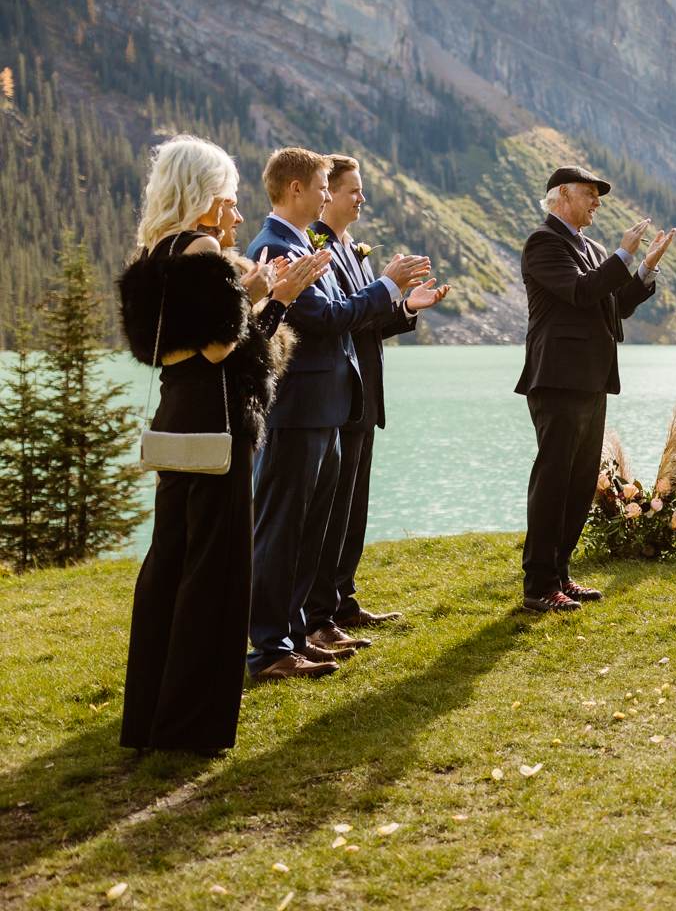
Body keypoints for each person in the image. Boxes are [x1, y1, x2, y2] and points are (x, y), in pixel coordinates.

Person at [117, 135, 330, 751]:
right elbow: (220, 349)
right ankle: (192, 723)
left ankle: (150, 716)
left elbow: (171, 354)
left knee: (168, 564)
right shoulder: (206, 254)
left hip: (176, 414)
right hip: (219, 422)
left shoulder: (151, 256)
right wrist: (263, 294)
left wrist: (270, 302)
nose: (236, 213)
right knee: (214, 570)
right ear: (207, 198)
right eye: (230, 199)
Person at [244, 149, 430, 681]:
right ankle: (269, 648)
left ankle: (297, 633)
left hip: (326, 408)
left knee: (308, 532)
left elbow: (341, 317)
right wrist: (389, 285)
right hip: (297, 411)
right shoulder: (274, 247)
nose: (328, 197)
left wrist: (395, 299)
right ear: (297, 188)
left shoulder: (305, 243)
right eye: (324, 186)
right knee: (281, 530)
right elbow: (325, 318)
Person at [303, 155, 452, 650]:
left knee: (354, 507)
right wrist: (386, 291)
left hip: (364, 396)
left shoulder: (353, 249)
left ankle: (343, 598)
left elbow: (367, 320)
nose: (360, 199)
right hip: (338, 396)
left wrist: (407, 307)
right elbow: (341, 316)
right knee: (331, 510)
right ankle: (318, 615)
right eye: (352, 191)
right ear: (328, 196)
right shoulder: (317, 245)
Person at [515, 166, 674, 613]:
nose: (597, 203)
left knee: (580, 481)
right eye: (590, 194)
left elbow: (613, 305)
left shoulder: (593, 247)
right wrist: (622, 256)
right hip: (557, 377)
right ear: (562, 195)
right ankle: (538, 585)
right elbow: (581, 292)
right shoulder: (543, 242)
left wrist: (644, 268)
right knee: (553, 479)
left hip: (591, 378)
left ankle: (561, 574)